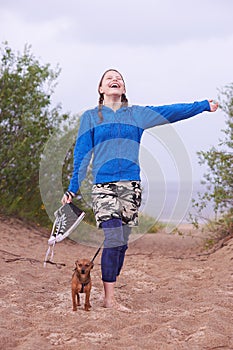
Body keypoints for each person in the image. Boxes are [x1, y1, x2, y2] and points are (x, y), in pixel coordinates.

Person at [61, 69, 218, 310]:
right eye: (109, 79)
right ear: (101, 89)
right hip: (103, 186)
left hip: (131, 187)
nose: (115, 80)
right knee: (112, 238)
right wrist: (73, 188)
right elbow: (81, 155)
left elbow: (172, 111)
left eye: (119, 79)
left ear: (123, 89)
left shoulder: (137, 115)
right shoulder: (91, 117)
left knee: (121, 243)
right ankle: (109, 299)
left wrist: (203, 105)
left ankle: (110, 286)